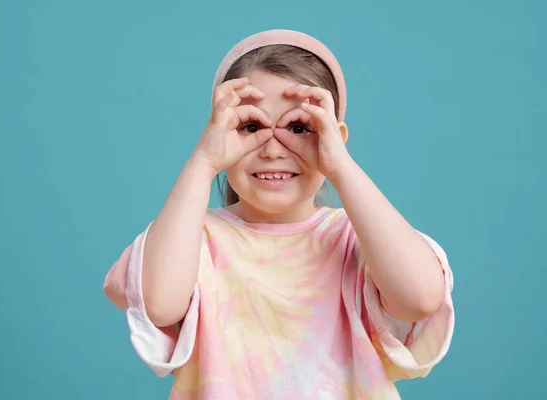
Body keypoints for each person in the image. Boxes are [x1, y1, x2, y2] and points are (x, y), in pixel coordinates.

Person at [103, 29, 455, 399]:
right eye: (251, 127)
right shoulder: (192, 238)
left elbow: (419, 299)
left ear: (335, 138)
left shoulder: (358, 239)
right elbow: (159, 306)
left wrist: (341, 166)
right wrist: (204, 161)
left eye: (300, 128)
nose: (273, 151)